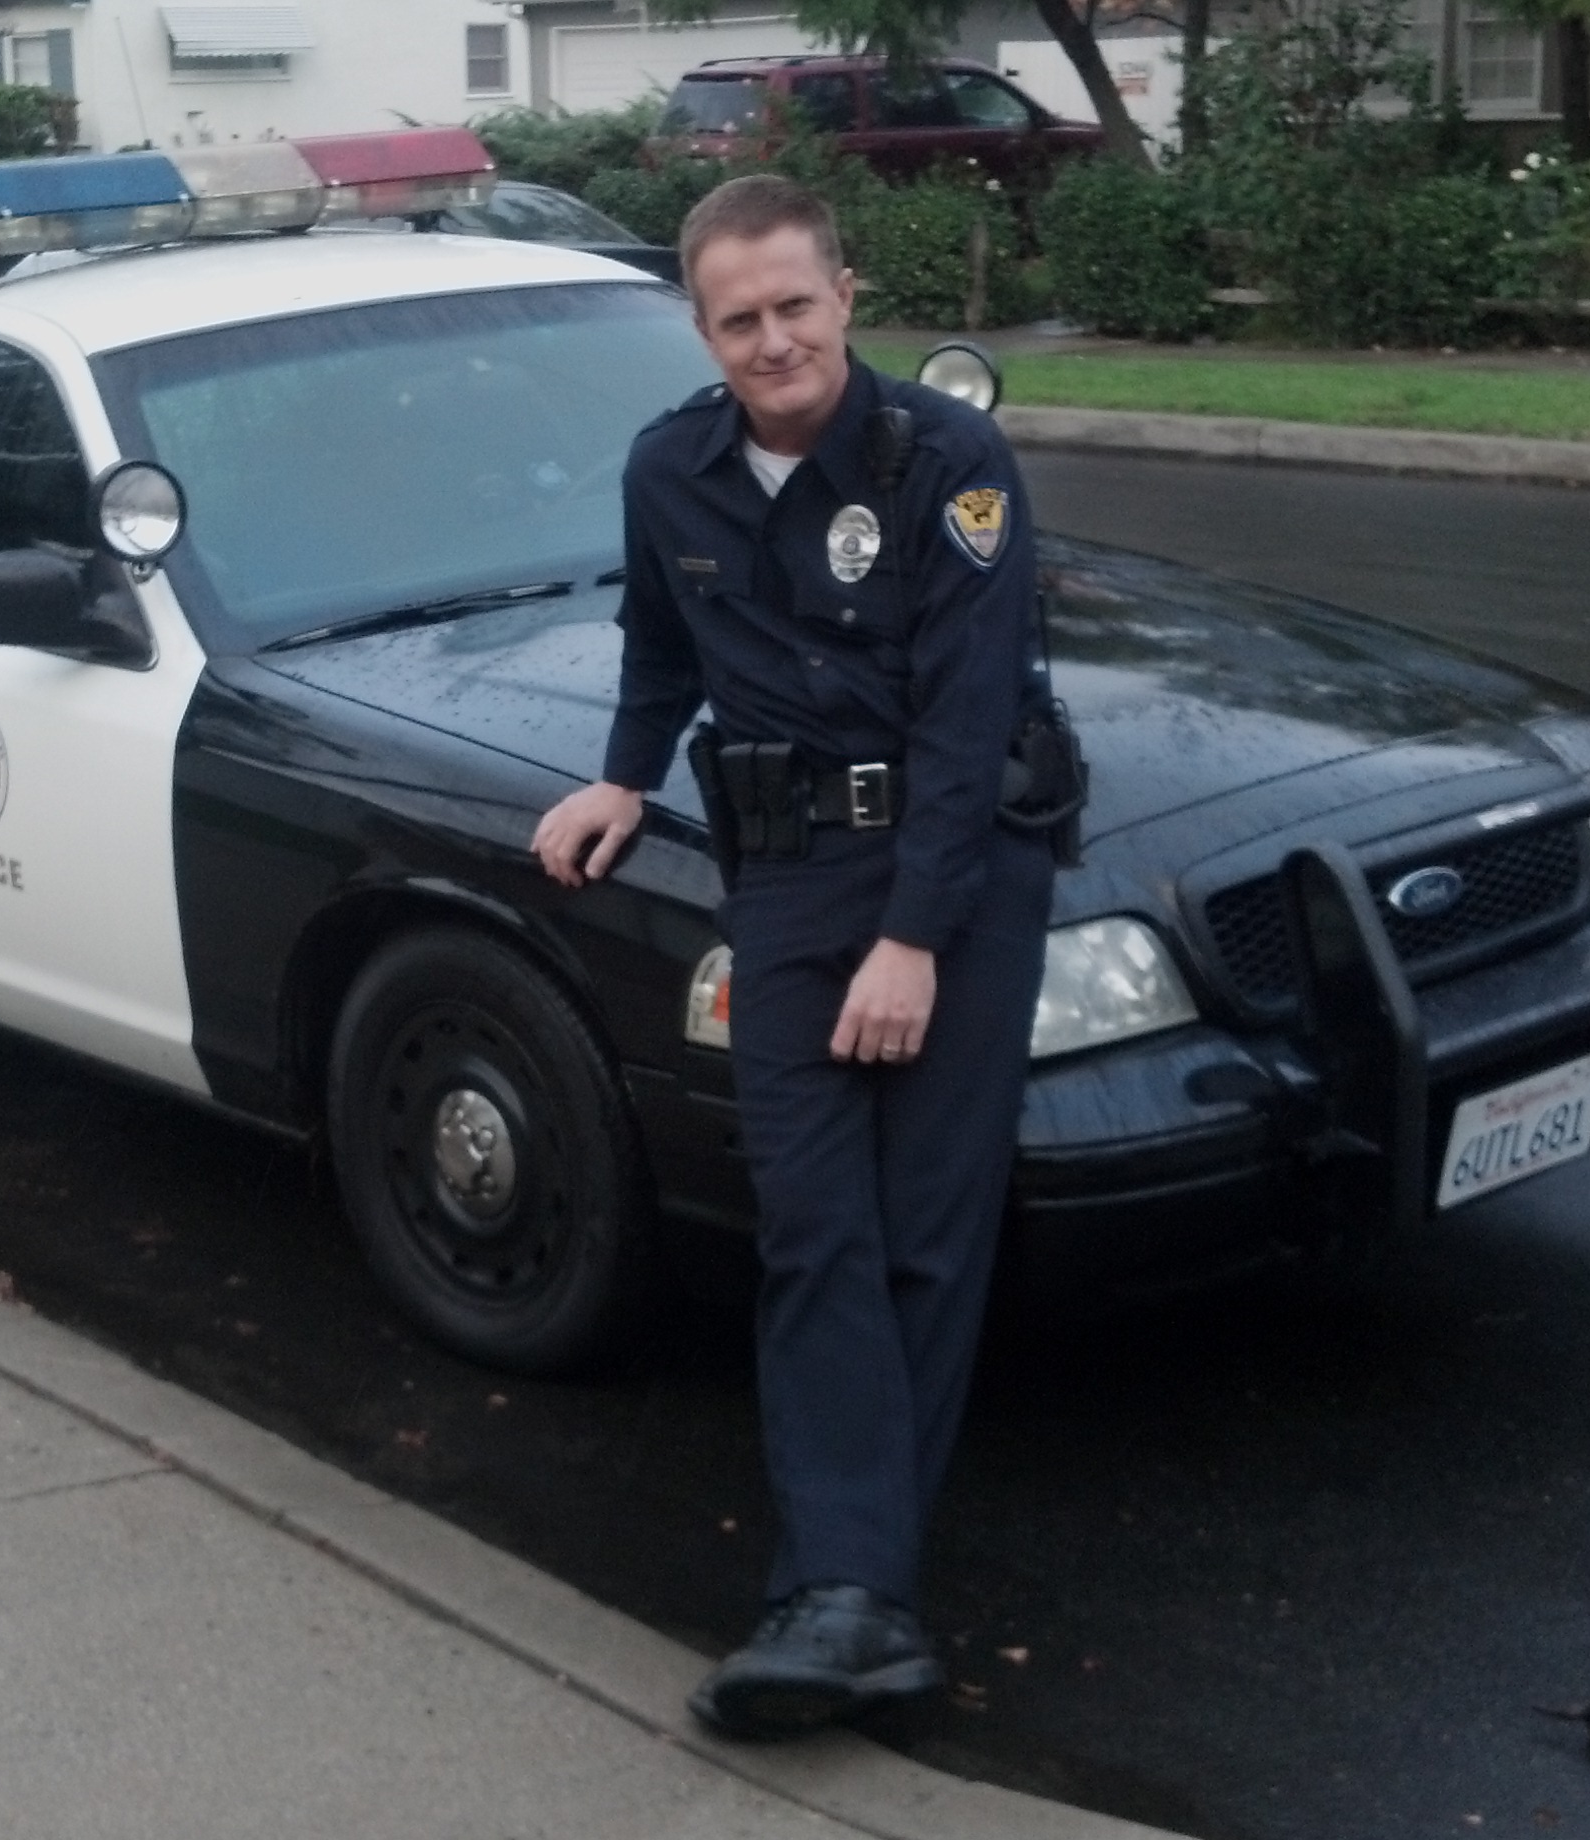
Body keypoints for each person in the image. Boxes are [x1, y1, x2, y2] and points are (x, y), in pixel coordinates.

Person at [531, 174, 1058, 1741]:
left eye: (796, 306)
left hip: (950, 876)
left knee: (922, 1235)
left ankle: (841, 1592)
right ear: (700, 329)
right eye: (738, 318)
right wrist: (626, 772)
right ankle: (858, 1599)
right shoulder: (670, 470)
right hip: (783, 876)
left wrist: (913, 942)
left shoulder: (945, 462)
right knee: (812, 1221)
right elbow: (659, 646)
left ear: (844, 294)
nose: (774, 342)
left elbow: (970, 731)